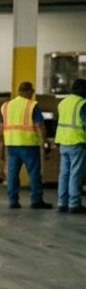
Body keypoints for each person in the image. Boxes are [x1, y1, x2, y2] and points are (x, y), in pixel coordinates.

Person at [2, 81, 51, 209]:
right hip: (29, 145)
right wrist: (44, 143)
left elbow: (1, 126)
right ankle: (36, 200)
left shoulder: (6, 106)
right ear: (29, 91)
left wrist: (2, 146)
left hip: (11, 144)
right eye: (32, 92)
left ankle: (13, 201)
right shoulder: (32, 105)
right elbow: (40, 126)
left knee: (12, 173)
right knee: (34, 173)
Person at [57, 78, 86, 214]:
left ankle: (62, 203)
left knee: (64, 174)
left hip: (64, 142)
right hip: (77, 142)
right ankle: (74, 204)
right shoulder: (82, 103)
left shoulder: (63, 102)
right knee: (76, 173)